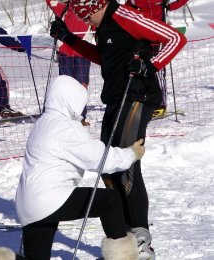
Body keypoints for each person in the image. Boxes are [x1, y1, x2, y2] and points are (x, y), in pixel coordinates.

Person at [49, 1, 187, 259]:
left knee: (126, 166)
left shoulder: (125, 15)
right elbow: (104, 57)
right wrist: (68, 38)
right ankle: (123, 239)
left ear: (97, 6)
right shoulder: (104, 26)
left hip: (137, 95)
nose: (87, 22)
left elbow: (175, 38)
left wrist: (150, 65)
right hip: (115, 98)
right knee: (109, 167)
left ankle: (141, 241)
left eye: (88, 16)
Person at [15, 75, 146, 260]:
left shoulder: (43, 122)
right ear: (71, 101)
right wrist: (132, 154)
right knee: (109, 200)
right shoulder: (65, 128)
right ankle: (122, 257)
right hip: (49, 200)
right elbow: (101, 159)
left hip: (27, 204)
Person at [125, 0, 189, 118]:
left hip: (159, 33)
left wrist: (169, 6)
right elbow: (126, 9)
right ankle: (145, 100)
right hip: (141, 32)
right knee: (141, 67)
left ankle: (160, 105)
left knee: (157, 68)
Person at [45, 0, 93, 126]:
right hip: (65, 52)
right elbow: (51, 2)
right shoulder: (63, 8)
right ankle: (66, 115)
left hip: (83, 52)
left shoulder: (88, 8)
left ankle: (80, 116)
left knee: (81, 85)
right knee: (65, 85)